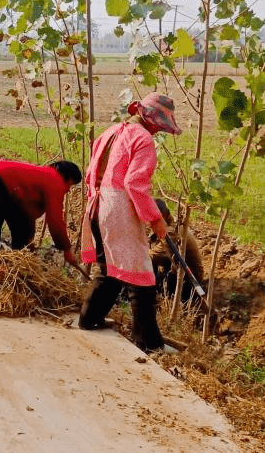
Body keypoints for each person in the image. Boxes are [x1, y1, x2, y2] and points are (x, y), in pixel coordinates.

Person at [78, 93, 182, 353]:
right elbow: (134, 183)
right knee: (142, 274)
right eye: (160, 124)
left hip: (97, 204)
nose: (160, 129)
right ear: (150, 118)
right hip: (119, 208)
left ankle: (89, 319)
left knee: (109, 267)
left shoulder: (110, 132)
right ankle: (148, 341)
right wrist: (155, 220)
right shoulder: (143, 138)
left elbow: (92, 174)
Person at [0, 159, 83, 267]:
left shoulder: (45, 174)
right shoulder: (55, 180)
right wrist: (66, 249)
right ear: (66, 176)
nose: (68, 189)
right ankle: (17, 266)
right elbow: (55, 220)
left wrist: (30, 234)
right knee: (18, 231)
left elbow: (27, 210)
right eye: (70, 184)